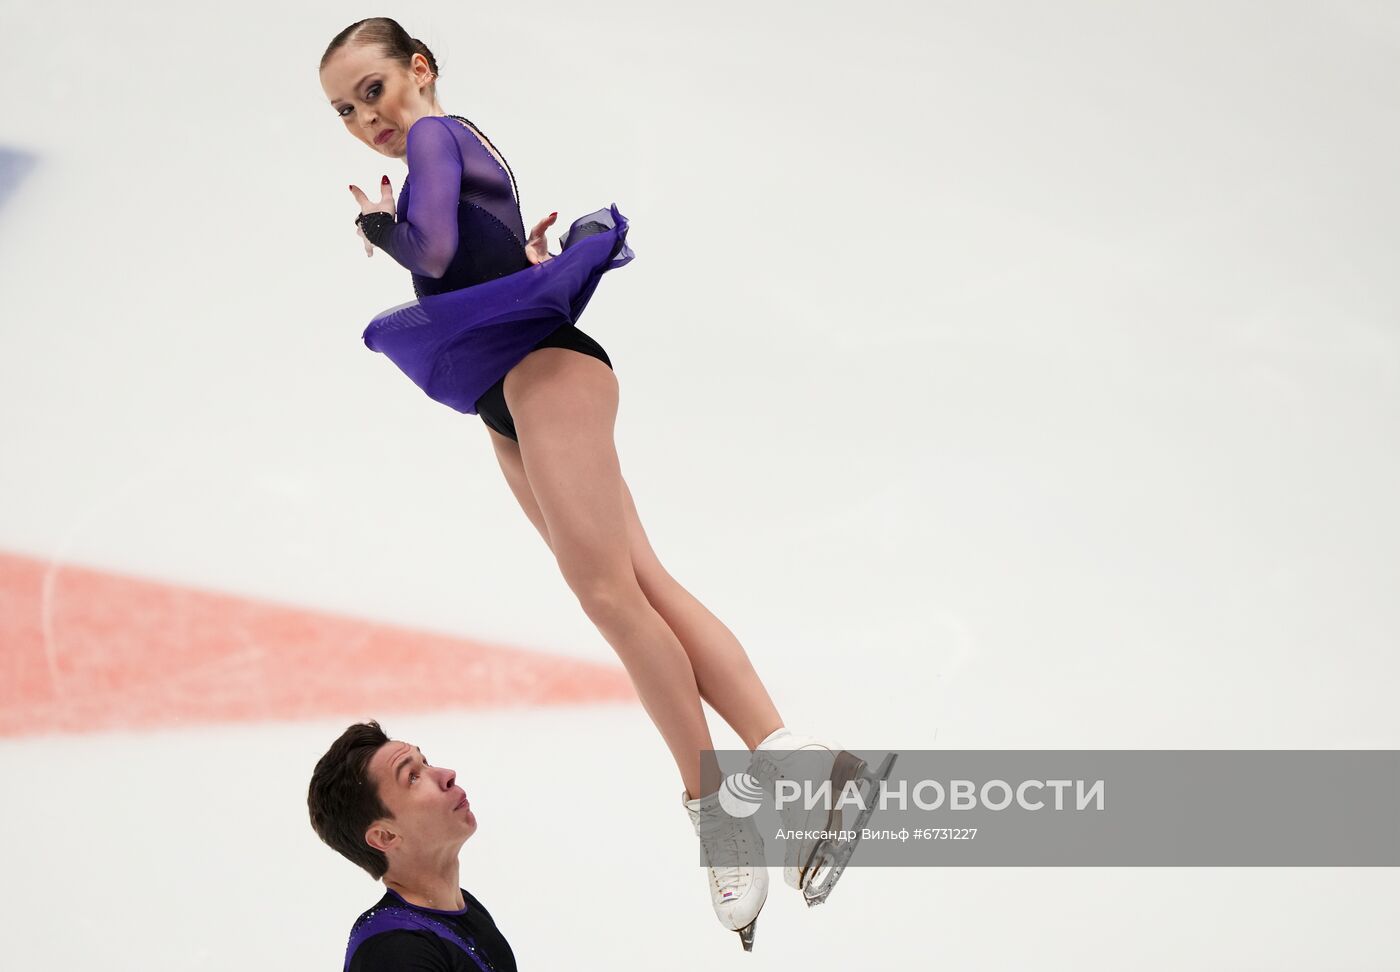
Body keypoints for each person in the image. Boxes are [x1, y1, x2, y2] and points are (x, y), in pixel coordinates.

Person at [318, 17, 893, 950]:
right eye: (344, 110)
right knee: (640, 588)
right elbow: (479, 246)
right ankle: (800, 777)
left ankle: (730, 816)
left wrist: (375, 223)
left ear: (418, 71)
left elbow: (428, 249)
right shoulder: (456, 140)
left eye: (372, 90)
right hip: (512, 394)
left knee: (610, 599)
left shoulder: (432, 132)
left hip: (544, 375)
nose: (364, 119)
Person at [308, 721, 518, 971]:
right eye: (413, 777)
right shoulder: (395, 952)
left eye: (426, 762)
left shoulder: (462, 910)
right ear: (385, 836)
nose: (447, 774)